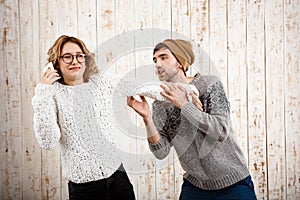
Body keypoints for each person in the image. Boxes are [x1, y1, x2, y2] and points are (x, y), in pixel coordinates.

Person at [127, 39, 257, 199]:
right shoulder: (160, 104)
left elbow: (220, 130)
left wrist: (184, 105)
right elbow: (161, 152)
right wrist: (147, 119)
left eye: (163, 57)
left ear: (180, 62)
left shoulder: (209, 85)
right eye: (155, 60)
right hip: (195, 187)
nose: (157, 64)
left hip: (233, 184)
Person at [32, 35, 135, 200]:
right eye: (67, 56)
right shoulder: (50, 95)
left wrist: (184, 91)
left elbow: (140, 86)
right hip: (84, 188)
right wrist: (43, 92)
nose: (75, 61)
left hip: (118, 178)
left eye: (79, 56)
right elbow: (48, 142)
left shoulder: (100, 82)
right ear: (55, 62)